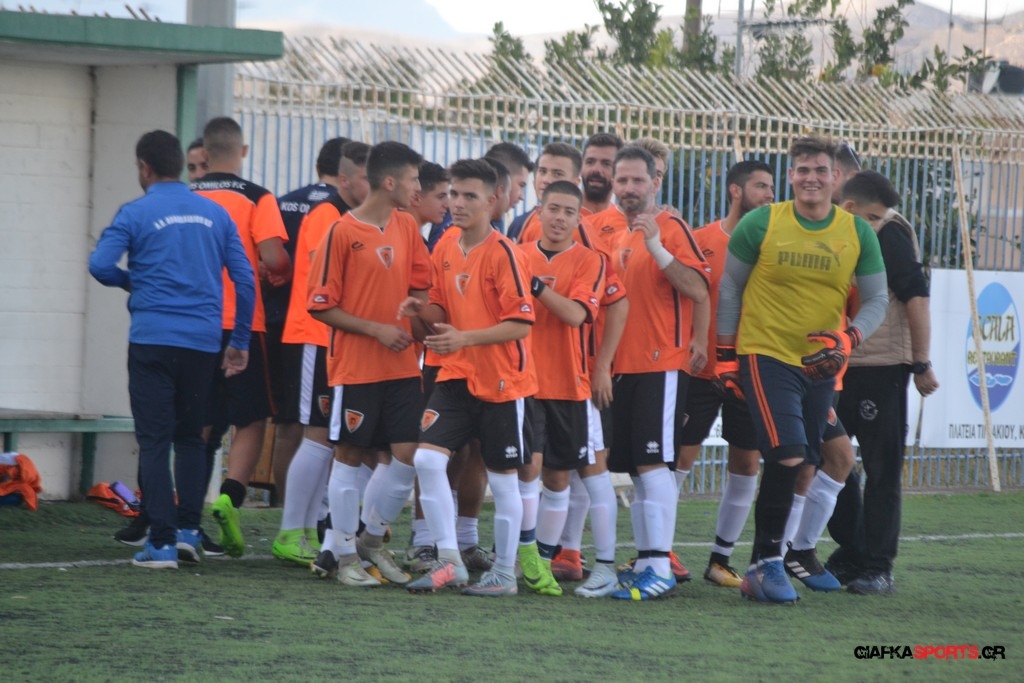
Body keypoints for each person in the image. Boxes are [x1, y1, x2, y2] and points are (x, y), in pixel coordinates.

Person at [715, 135, 888, 603]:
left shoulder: (858, 233)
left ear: (836, 178)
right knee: (788, 453)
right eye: (803, 170)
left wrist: (849, 339)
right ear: (791, 176)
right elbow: (730, 289)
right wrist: (726, 355)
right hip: (764, 354)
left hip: (821, 365)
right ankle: (765, 564)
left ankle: (787, 556)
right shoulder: (762, 222)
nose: (812, 178)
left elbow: (876, 299)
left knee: (808, 461)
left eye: (820, 170)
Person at [89, 130, 255, 569]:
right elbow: (245, 280)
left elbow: (100, 265)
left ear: (144, 167)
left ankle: (160, 542)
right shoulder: (215, 213)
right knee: (192, 439)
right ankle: (187, 533)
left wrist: (131, 281)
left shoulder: (136, 212)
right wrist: (239, 340)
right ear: (181, 165)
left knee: (155, 440)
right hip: (202, 343)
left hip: (152, 340)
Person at [399, 158, 537, 596]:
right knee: (426, 460)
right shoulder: (445, 246)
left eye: (469, 196)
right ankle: (450, 561)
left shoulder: (505, 254)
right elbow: (441, 306)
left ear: (493, 200)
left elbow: (521, 324)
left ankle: (504, 573)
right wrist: (422, 311)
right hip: (455, 374)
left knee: (504, 478)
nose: (458, 203)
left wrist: (465, 338)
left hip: (502, 382)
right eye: (454, 194)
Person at [305, 141, 430, 586]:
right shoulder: (341, 232)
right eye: (414, 180)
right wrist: (377, 329)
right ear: (390, 182)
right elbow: (320, 305)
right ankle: (342, 556)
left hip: (403, 367)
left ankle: (371, 542)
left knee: (408, 457)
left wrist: (425, 316)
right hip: (355, 368)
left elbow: (422, 288)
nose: (418, 189)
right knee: (349, 456)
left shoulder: (407, 226)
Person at [826, 170, 939, 595]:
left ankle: (877, 564)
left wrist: (920, 362)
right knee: (827, 459)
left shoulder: (888, 230)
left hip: (880, 366)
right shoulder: (821, 224)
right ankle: (853, 549)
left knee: (881, 468)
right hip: (834, 364)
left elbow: (916, 295)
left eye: (825, 171)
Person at [606, 145, 711, 601]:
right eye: (622, 180)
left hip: (661, 363)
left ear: (655, 183)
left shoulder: (670, 227)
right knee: (637, 469)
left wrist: (657, 246)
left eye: (637, 180)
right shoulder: (619, 236)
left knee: (653, 465)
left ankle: (661, 568)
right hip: (624, 368)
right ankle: (648, 563)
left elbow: (699, 288)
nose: (629, 188)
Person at [192, 116, 291, 558]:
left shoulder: (187, 195)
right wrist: (273, 270)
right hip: (242, 323)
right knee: (250, 419)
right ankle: (231, 496)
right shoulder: (256, 196)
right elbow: (274, 257)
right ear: (243, 151)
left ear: (204, 154)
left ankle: (186, 513)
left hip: (193, 323)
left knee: (199, 419)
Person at [673, 160, 775, 588]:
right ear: (736, 190)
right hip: (700, 369)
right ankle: (660, 551)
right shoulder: (701, 240)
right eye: (761, 186)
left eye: (771, 187)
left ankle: (720, 560)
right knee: (678, 459)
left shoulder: (775, 245)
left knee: (746, 463)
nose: (769, 195)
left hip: (749, 371)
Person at [271, 141, 370, 565]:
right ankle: (290, 530)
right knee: (314, 435)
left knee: (326, 438)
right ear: (344, 179)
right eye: (365, 177)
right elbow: (324, 279)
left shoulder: (350, 217)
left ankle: (306, 530)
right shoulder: (326, 216)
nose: (373, 185)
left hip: (335, 339)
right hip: (314, 336)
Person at [518, 180, 608, 597]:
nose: (559, 218)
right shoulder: (517, 253)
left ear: (578, 219)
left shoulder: (590, 261)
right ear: (539, 211)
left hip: (567, 385)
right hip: (522, 381)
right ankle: (521, 556)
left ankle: (543, 557)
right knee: (526, 471)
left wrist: (536, 286)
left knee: (557, 478)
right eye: (553, 209)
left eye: (569, 212)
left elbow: (575, 315)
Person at [267, 136, 349, 499]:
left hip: (284, 318)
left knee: (303, 424)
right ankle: (291, 509)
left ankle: (301, 506)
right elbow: (322, 269)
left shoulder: (286, 202)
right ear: (347, 173)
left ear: (318, 166)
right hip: (310, 328)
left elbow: (271, 260)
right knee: (306, 426)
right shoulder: (332, 212)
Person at [508, 142, 583, 243]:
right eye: (542, 171)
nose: (546, 180)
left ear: (575, 183)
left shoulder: (583, 231)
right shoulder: (520, 223)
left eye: (557, 174)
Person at [580, 132, 623, 216]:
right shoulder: (562, 217)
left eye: (606, 164)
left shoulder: (623, 220)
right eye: (590, 162)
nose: (596, 170)